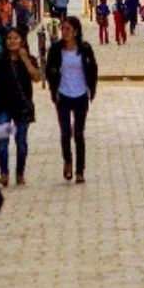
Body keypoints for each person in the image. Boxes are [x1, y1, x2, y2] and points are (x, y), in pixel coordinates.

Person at [42, 16, 99, 183]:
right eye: (63, 29)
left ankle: (80, 170)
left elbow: (93, 69)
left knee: (79, 133)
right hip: (63, 94)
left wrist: (91, 90)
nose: (65, 32)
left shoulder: (85, 48)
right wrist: (54, 91)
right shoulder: (55, 49)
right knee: (66, 132)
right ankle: (67, 161)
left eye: (68, 29)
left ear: (76, 31)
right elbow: (49, 70)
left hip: (81, 94)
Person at [0, 25, 40, 186]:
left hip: (21, 105)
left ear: (22, 41)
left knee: (21, 141)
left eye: (16, 38)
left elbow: (37, 77)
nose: (12, 41)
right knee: (2, 142)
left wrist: (25, 60)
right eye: (9, 38)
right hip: (1, 103)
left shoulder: (29, 59)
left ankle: (20, 173)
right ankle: (4, 173)